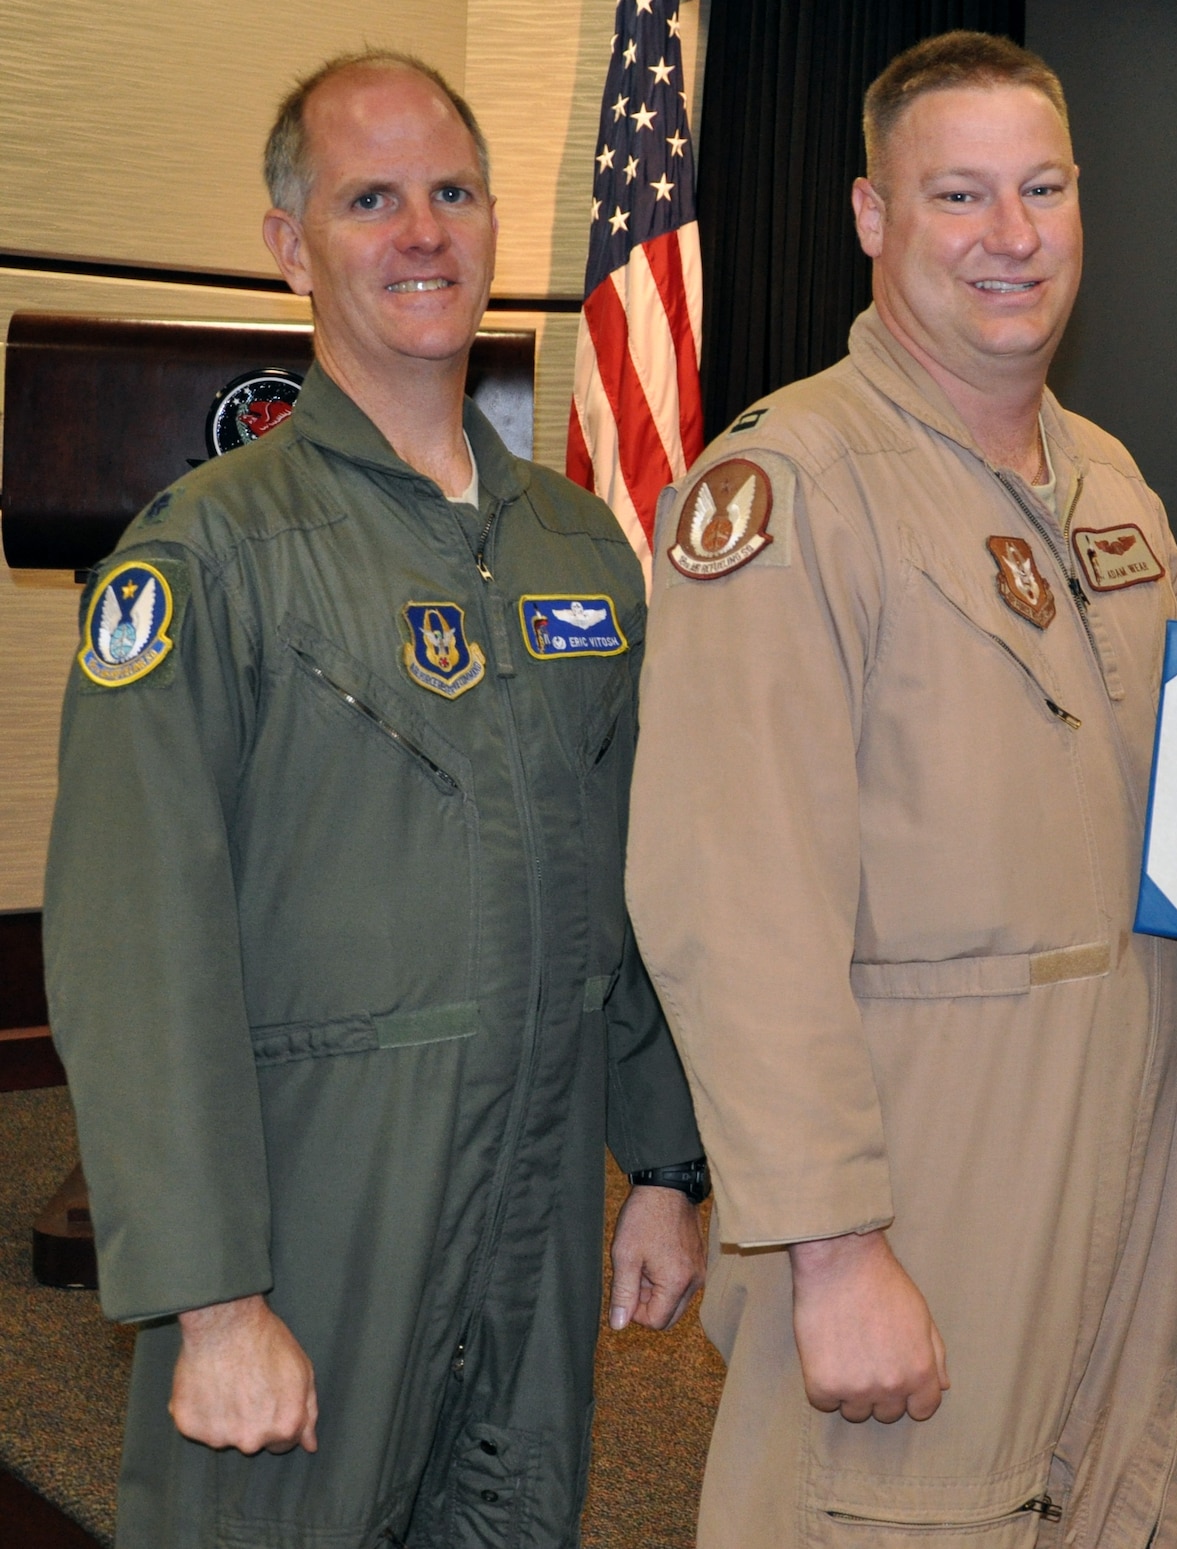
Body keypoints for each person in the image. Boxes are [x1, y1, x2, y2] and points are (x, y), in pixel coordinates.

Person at [623, 31, 1177, 1547]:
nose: (1012, 237)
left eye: (1042, 188)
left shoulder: (1104, 475)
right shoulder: (794, 486)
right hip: (922, 1164)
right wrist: (833, 1243)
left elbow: (1172, 759)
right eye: (961, 195)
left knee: (1096, 1504)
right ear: (871, 218)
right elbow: (732, 896)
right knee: (882, 1514)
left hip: (1117, 1134)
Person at [42, 51, 706, 1548]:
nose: (424, 232)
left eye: (453, 192)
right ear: (292, 244)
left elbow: (628, 875)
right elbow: (132, 946)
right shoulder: (210, 554)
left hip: (531, 1213)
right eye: (370, 199)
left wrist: (664, 1164)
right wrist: (215, 1298)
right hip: (314, 1210)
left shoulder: (577, 546)